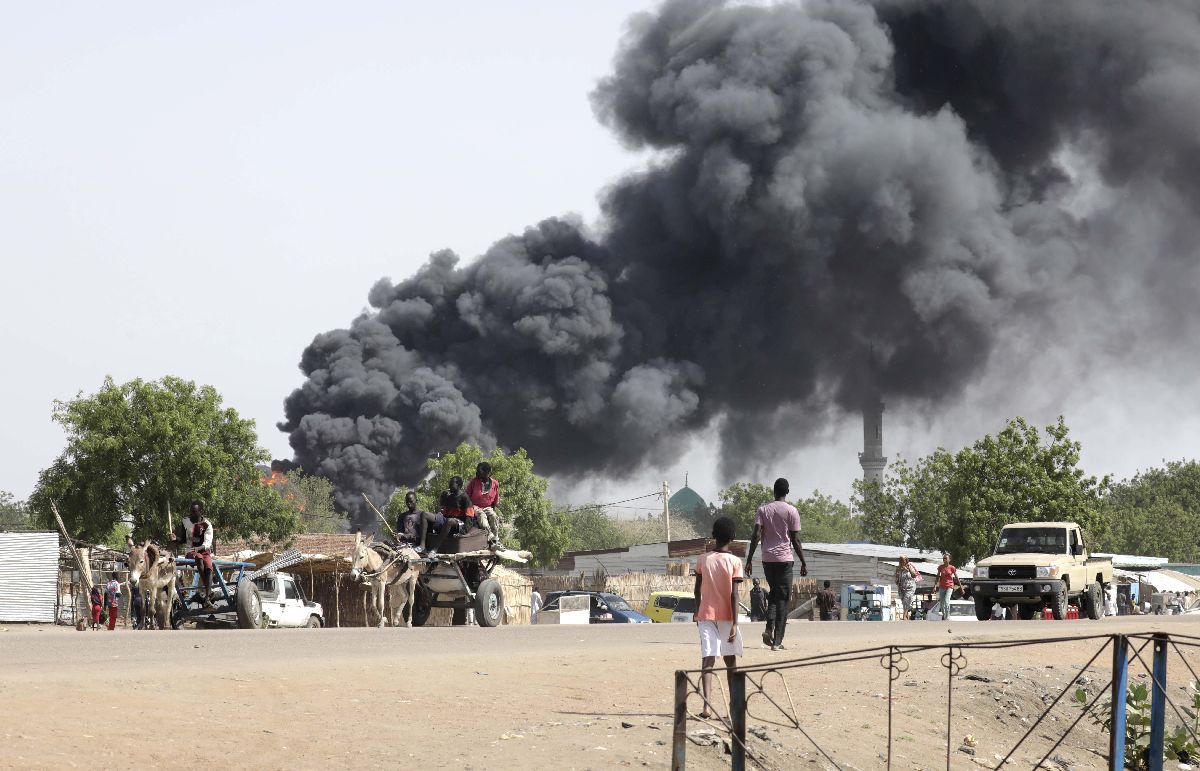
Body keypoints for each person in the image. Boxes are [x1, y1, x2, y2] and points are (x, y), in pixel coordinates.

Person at [744, 478, 807, 651]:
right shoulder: (792, 511)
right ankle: (777, 641)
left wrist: (749, 560)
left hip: (767, 559)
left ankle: (768, 629)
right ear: (787, 492)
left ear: (774, 491)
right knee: (783, 600)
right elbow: (795, 539)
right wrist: (803, 561)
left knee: (773, 595)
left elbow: (756, 534)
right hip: (785, 560)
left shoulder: (763, 509)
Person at [694, 516, 744, 719]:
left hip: (705, 615)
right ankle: (732, 706)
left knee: (708, 659)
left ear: (713, 535)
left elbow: (696, 590)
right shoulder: (734, 561)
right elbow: (734, 594)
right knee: (730, 661)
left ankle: (707, 706)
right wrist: (735, 623)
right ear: (733, 537)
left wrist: (697, 612)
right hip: (727, 616)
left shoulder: (702, 560)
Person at [176, 501, 216, 610]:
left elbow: (207, 543)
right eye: (191, 511)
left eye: (194, 511)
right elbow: (183, 539)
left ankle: (207, 598)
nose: (192, 514)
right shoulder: (185, 521)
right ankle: (207, 590)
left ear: (200, 512)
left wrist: (198, 548)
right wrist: (175, 539)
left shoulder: (207, 524)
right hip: (190, 551)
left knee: (209, 566)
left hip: (204, 550)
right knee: (198, 557)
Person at [466, 462, 502, 545]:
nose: (477, 473)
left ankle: (496, 539)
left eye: (479, 472)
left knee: (493, 516)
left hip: (488, 507)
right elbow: (467, 496)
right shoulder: (474, 482)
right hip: (475, 507)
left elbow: (495, 500)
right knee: (482, 516)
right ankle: (490, 535)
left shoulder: (495, 483)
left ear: (487, 473)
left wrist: (493, 511)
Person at [934, 553, 960, 619]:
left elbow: (956, 577)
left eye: (946, 558)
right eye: (943, 558)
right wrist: (935, 585)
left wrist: (961, 587)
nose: (944, 559)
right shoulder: (940, 567)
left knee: (946, 601)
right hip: (942, 586)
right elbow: (937, 576)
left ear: (949, 560)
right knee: (942, 603)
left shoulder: (952, 568)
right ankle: (944, 615)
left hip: (950, 586)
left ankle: (947, 616)